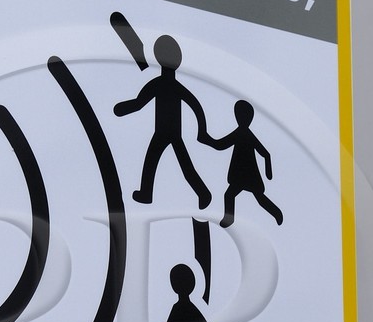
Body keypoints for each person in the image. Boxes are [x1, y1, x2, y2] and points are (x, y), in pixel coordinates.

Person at [113, 34, 212, 209]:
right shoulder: (167, 85)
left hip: (167, 132)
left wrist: (123, 109)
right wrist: (123, 108)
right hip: (169, 132)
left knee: (159, 162)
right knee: (163, 162)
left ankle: (201, 192)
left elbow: (139, 103)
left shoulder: (160, 84)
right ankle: (199, 192)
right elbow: (140, 102)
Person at [206, 98, 283, 227]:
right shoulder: (244, 133)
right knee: (236, 195)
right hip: (244, 172)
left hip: (245, 172)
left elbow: (220, 145)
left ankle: (276, 213)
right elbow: (265, 154)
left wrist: (207, 140)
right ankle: (230, 218)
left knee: (242, 196)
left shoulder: (243, 133)